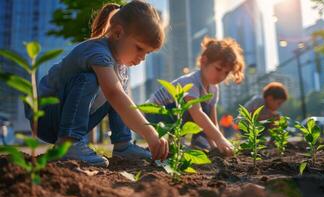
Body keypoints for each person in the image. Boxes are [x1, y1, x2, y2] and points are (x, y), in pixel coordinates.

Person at [25, 1, 169, 167]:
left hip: (65, 118)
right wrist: (150, 133)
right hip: (45, 117)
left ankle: (123, 145)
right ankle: (69, 143)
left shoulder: (119, 65)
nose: (142, 57)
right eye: (139, 48)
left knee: (119, 92)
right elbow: (114, 94)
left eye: (147, 53)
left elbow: (120, 98)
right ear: (118, 32)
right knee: (96, 82)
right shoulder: (97, 51)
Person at [145, 37, 246, 156]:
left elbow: (212, 120)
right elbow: (197, 114)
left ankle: (201, 145)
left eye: (226, 72)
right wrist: (220, 139)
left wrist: (217, 146)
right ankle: (176, 144)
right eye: (218, 69)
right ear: (203, 61)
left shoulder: (213, 89)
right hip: (153, 115)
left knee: (205, 112)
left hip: (174, 116)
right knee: (195, 108)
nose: (222, 76)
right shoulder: (191, 81)